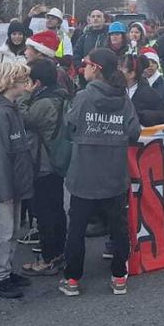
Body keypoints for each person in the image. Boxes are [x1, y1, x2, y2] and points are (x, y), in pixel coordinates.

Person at [59, 48, 140, 297]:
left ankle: (72, 279)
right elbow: (134, 133)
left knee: (77, 229)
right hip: (113, 173)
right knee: (118, 227)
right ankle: (119, 278)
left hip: (84, 173)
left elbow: (69, 126)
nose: (84, 69)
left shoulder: (83, 97)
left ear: (97, 69)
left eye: (87, 64)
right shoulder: (123, 99)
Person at [0, 62, 36, 299]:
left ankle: (6, 271)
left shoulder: (9, 110)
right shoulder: (2, 114)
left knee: (11, 231)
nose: (26, 84)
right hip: (2, 187)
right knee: (2, 233)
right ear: (11, 82)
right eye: (22, 80)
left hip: (13, 184)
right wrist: (5, 190)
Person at [19, 58, 69, 276]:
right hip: (55, 160)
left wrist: (24, 95)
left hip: (45, 163)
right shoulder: (60, 94)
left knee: (46, 213)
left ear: (37, 82)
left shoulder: (44, 102)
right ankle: (59, 253)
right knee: (56, 209)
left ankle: (49, 258)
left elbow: (23, 117)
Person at [120, 54, 164, 126]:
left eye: (121, 68)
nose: (118, 71)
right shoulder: (115, 89)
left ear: (131, 74)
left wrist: (141, 115)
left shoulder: (149, 94)